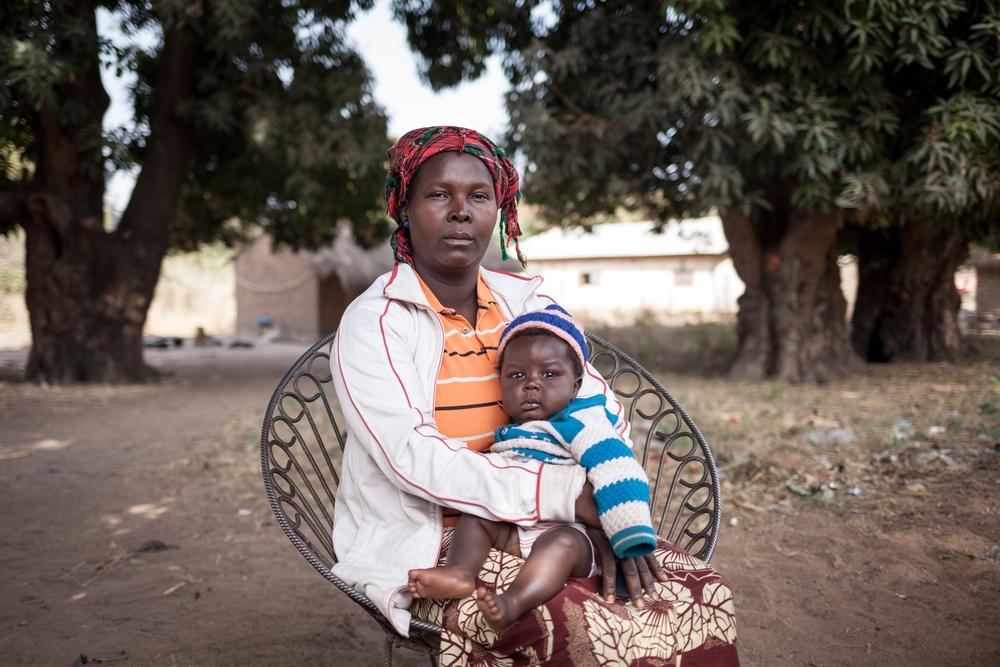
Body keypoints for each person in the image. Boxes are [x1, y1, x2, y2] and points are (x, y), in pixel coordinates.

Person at [330, 125, 740, 665]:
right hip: (445, 534)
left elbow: (600, 410)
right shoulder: (374, 322)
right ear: (403, 209)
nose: (461, 211)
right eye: (438, 194)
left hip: (566, 521)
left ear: (498, 210)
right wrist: (567, 494)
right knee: (578, 625)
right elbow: (410, 457)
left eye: (479, 196)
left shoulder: (528, 301)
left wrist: (604, 511)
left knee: (700, 594)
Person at [407, 305, 658, 633]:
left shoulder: (583, 422)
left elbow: (617, 469)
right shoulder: (512, 431)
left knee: (561, 545)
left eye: (549, 374)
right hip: (515, 526)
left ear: (576, 384)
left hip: (575, 534)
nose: (531, 384)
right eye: (516, 375)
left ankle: (514, 601)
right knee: (477, 514)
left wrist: (627, 531)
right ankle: (460, 572)